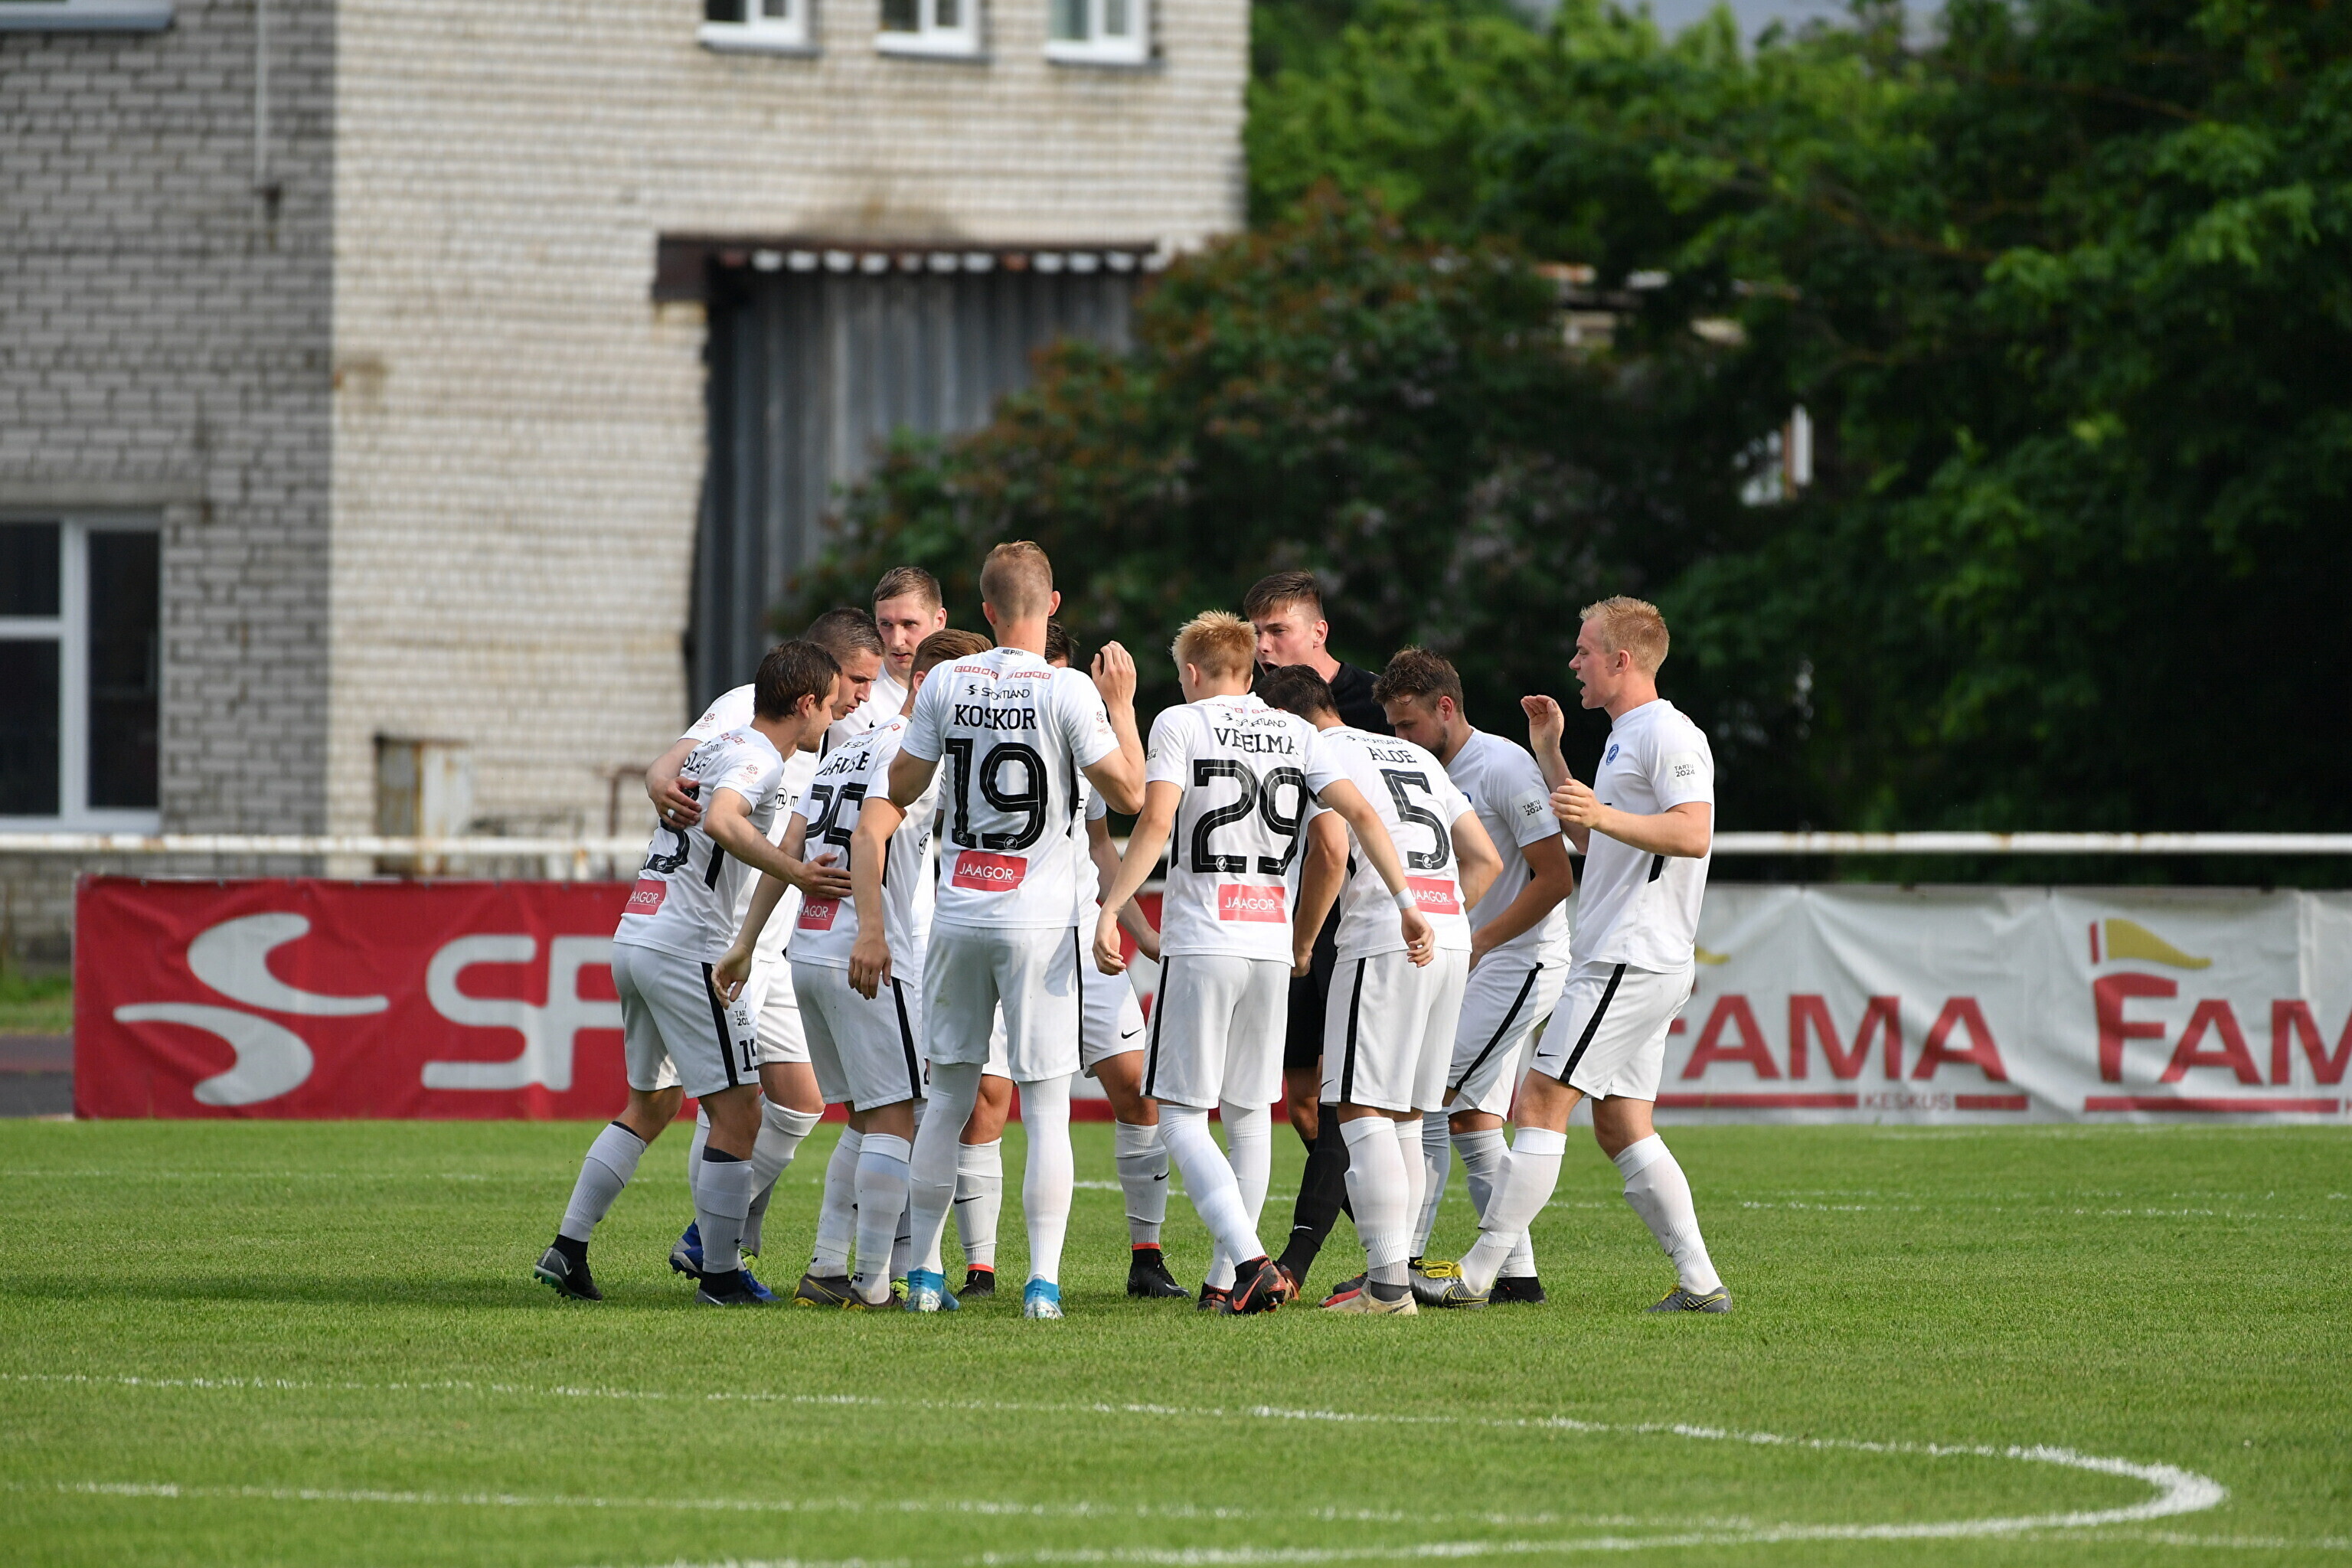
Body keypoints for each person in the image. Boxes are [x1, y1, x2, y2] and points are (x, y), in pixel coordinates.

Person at [1093, 612, 1434, 1317]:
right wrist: (1406, 900)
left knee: (1181, 1116)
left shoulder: (1181, 722)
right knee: (1249, 1114)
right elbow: (1361, 819)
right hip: (1271, 943)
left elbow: (1155, 820)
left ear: (1191, 673)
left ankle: (1248, 1262)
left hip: (1205, 937)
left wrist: (1113, 907)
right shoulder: (1296, 731)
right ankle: (1226, 1281)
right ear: (1252, 671)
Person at [874, 541, 1148, 1318]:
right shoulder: (1069, 689)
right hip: (1040, 919)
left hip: (960, 911)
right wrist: (1123, 707)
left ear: (985, 610)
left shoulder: (946, 679)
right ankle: (1042, 1285)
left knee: (949, 1098)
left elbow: (902, 784)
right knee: (1047, 1106)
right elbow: (1128, 794)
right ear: (1051, 605)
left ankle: (925, 1276)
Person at [1435, 597, 1730, 1313]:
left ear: (1621, 660)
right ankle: (1700, 1284)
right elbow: (1601, 843)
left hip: (1629, 956)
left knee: (1539, 1100)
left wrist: (1602, 811)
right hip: (1632, 955)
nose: (1574, 663)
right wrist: (1551, 754)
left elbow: (1693, 833)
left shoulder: (1667, 731)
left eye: (1584, 650)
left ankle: (1478, 1273)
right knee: (1621, 1123)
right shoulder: (1628, 735)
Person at [534, 641, 848, 1305]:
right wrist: (796, 872)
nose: (834, 717)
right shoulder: (760, 758)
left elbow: (684, 793)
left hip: (639, 932)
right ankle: (721, 1275)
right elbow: (724, 819)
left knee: (652, 1104)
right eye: (829, 704)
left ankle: (568, 1248)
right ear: (805, 704)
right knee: (741, 1111)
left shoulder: (716, 745)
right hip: (689, 949)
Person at [714, 628, 982, 1308]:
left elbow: (791, 847)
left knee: (867, 1115)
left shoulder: (846, 746)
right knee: (899, 1115)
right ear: (930, 685)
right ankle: (871, 1282)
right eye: (970, 687)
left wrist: (747, 942)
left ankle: (830, 1267)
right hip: (864, 955)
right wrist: (871, 931)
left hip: (808, 948)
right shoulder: (911, 749)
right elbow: (868, 835)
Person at [953, 622, 1183, 1303]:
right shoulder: (983, 725)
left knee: (1137, 1089)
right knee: (988, 1102)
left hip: (1081, 939)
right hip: (1000, 930)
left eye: (1053, 671)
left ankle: (1147, 1257)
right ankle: (981, 1268)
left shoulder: (1082, 729)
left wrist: (1138, 928)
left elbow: (1101, 846)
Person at [1259, 665, 1500, 1313]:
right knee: (1407, 1118)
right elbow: (1486, 859)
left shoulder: (1317, 753)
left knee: (1360, 1110)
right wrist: (1439, 919)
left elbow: (1330, 852)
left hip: (1382, 938)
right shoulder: (1413, 754)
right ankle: (1392, 1279)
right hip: (1446, 939)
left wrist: (1304, 944)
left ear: (1284, 720)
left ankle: (1388, 1287)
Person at [656, 609, 884, 1292]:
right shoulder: (746, 711)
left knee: (799, 1103)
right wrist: (656, 780)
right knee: (726, 1105)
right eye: (857, 681)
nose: (864, 697)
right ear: (821, 678)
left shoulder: (854, 726)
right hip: (724, 936)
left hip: (780, 941)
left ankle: (710, 1238)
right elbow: (673, 769)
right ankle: (714, 1255)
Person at [1374, 647, 1576, 1305]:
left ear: (1446, 708)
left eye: (1408, 725)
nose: (1400, 738)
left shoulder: (1503, 767)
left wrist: (1479, 941)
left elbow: (1557, 878)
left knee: (1429, 1096)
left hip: (1519, 962)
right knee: (1472, 1121)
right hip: (1477, 962)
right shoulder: (1422, 770)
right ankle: (1518, 1277)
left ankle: (1398, 1265)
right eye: (1392, 727)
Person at [1242, 571, 1389, 1283]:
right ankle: (1387, 1249)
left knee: (1346, 1099)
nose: (1264, 647)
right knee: (1303, 1101)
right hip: (1286, 916)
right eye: (1256, 634)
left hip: (1356, 922)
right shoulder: (1254, 710)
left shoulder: (1374, 703)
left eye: (1278, 631)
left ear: (1319, 632)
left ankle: (1325, 1262)